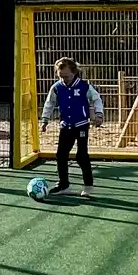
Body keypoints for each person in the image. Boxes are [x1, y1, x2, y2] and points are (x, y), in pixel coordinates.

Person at [38, 57, 104, 197]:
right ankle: (63, 184)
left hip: (81, 125)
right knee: (61, 155)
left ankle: (88, 186)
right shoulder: (56, 87)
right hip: (65, 126)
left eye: (66, 76)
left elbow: (96, 98)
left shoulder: (84, 86)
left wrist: (99, 114)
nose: (64, 79)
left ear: (74, 72)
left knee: (81, 155)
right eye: (60, 76)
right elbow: (49, 103)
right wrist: (45, 120)